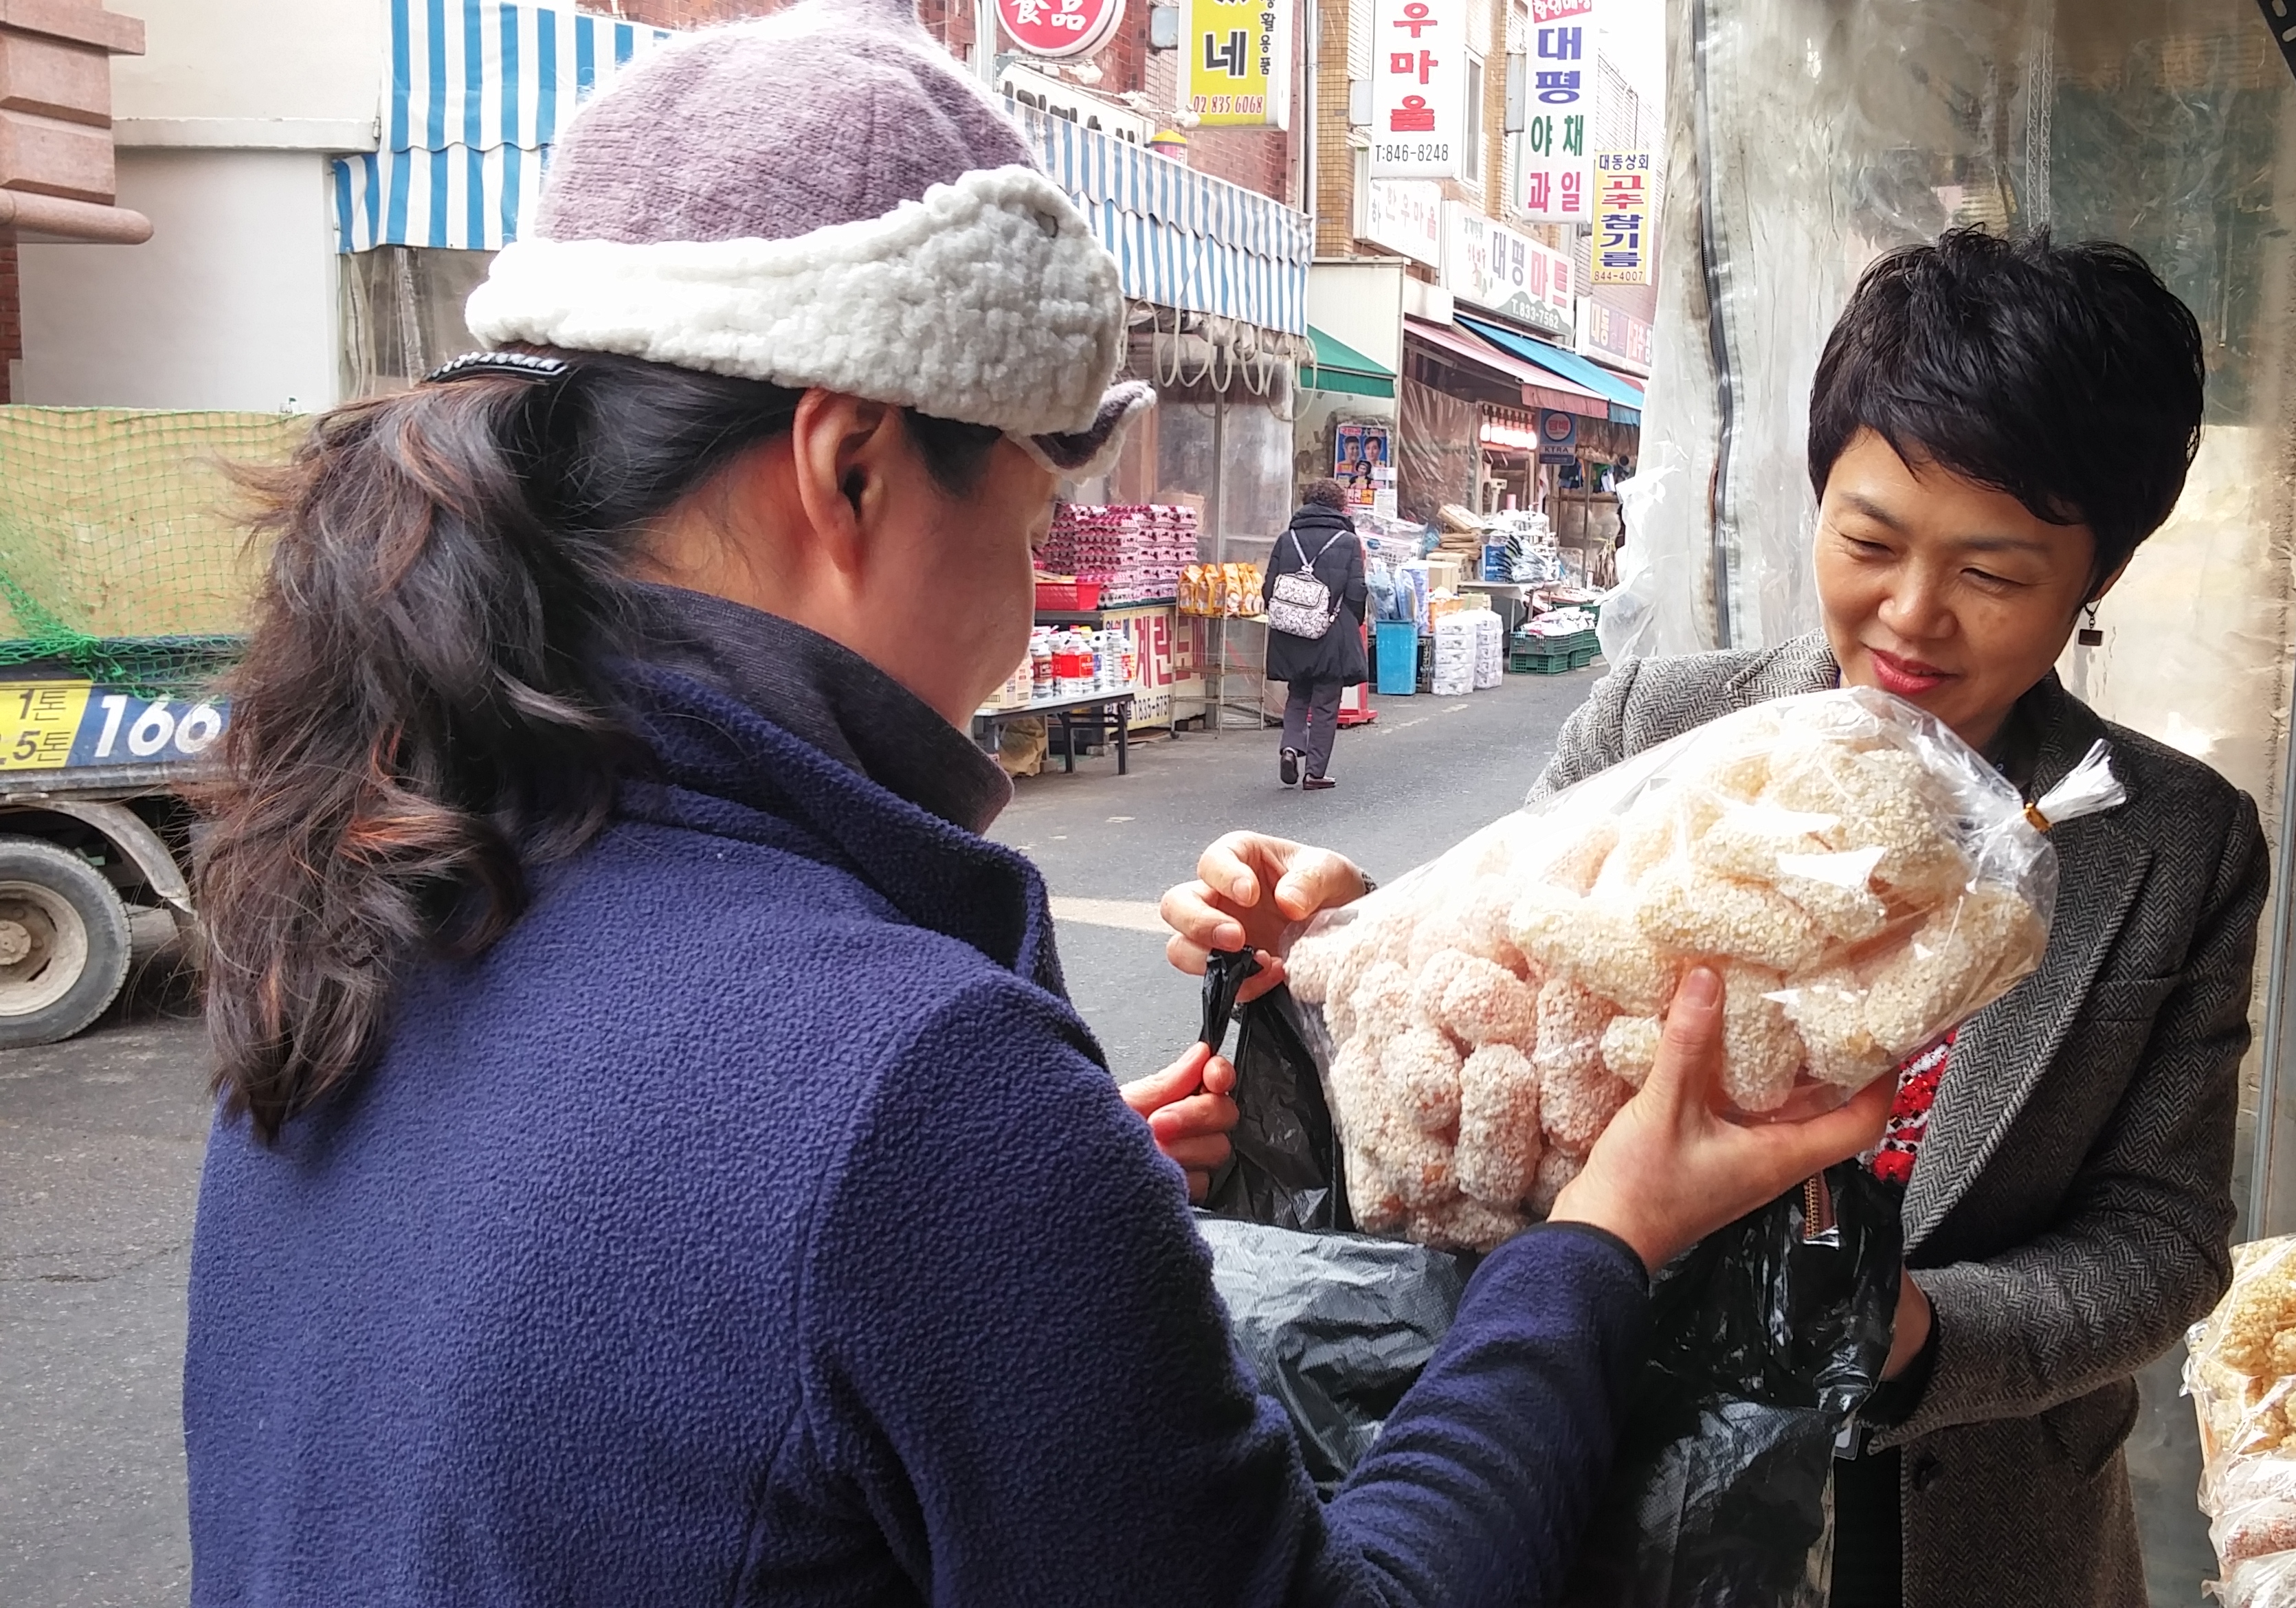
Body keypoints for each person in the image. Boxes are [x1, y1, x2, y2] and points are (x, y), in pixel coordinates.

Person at [174, 8, 1899, 1605]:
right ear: (850, 469)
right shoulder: (916, 1087)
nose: (1026, 608)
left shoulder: (371, 890)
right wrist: (1596, 1241)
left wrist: (1039, 1246)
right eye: (1022, 523)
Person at [1168, 229, 2269, 1607]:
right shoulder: (1663, 725)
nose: (1911, 615)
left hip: (1969, 1529)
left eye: (1993, 575)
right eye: (1869, 541)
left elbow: (2161, 1240)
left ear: (2096, 574)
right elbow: (1521, 986)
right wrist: (1342, 970)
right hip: (1639, 1475)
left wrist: (1917, 1338)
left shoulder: (2171, 846)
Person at [1267, 478, 1366, 790]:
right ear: (1339, 506)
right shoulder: (1349, 542)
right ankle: (1315, 773)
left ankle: (1290, 748)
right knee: (1325, 703)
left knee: (1298, 694)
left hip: (1292, 631)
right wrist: (1351, 621)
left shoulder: (1287, 539)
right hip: (1332, 631)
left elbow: (1269, 585)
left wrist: (1288, 615)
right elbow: (1357, 590)